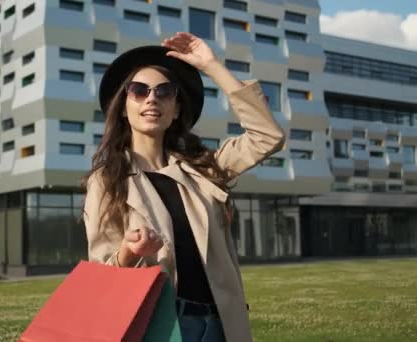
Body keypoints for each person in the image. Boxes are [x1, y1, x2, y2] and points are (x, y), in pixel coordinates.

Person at [82, 32, 285, 342]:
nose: (152, 98)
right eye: (139, 90)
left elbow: (267, 137)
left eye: (164, 92)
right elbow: (103, 275)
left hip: (222, 325)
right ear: (124, 107)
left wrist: (212, 65)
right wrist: (128, 252)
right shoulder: (107, 181)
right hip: (162, 328)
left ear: (176, 109)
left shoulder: (203, 170)